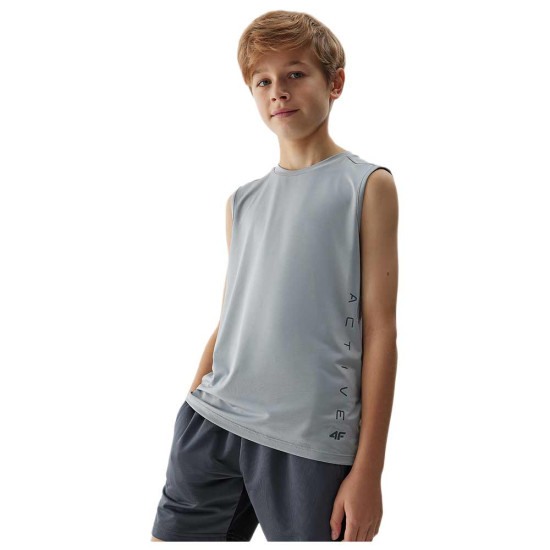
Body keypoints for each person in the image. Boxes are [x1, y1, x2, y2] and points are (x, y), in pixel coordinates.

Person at [151, 9, 398, 542]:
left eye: (295, 74)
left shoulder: (366, 186)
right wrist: (191, 403)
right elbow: (233, 316)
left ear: (335, 83)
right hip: (212, 422)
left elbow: (380, 330)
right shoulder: (242, 202)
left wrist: (369, 471)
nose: (277, 91)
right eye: (262, 81)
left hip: (307, 441)